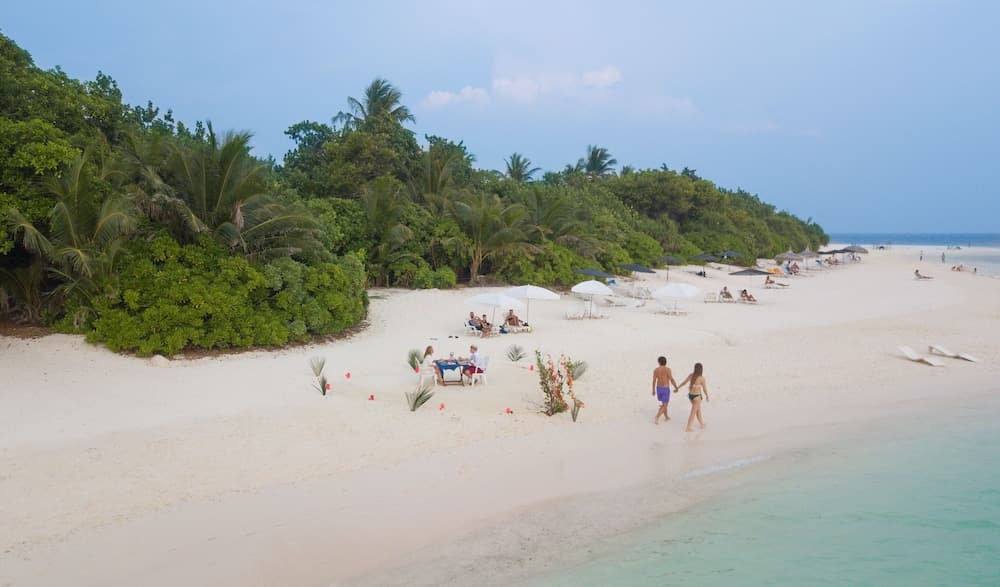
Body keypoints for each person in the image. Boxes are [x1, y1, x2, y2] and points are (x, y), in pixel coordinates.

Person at [676, 362, 710, 432]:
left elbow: (684, 382)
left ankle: (701, 424)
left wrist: (678, 387)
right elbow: (704, 389)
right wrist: (707, 395)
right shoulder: (701, 378)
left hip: (690, 396)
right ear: (701, 369)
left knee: (698, 410)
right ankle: (688, 427)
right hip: (697, 397)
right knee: (693, 413)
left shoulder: (691, 375)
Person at [651, 356, 679, 425]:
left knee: (664, 404)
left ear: (659, 362)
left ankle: (666, 417)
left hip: (658, 388)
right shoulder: (668, 370)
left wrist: (653, 390)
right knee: (665, 405)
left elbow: (654, 381)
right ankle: (657, 417)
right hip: (665, 389)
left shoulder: (656, 370)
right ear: (665, 362)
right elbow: (671, 379)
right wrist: (676, 387)